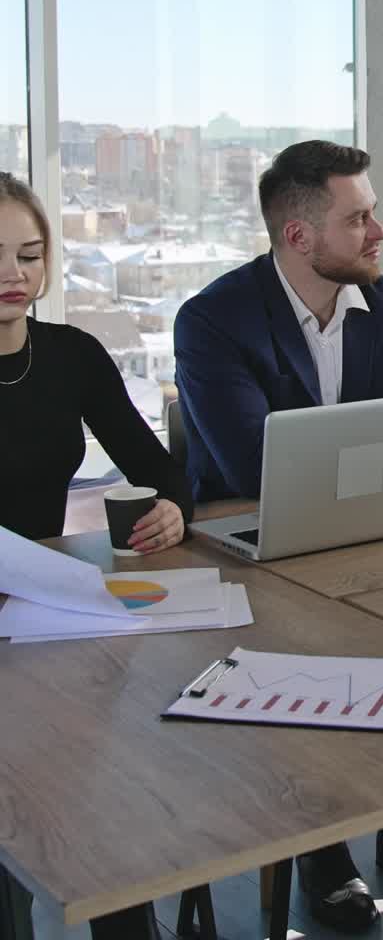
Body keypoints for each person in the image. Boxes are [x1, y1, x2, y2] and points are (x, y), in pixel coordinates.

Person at [174, 142, 383, 931]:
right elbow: (251, 464)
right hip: (254, 553)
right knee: (315, 641)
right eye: (357, 217)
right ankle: (321, 848)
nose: (379, 231)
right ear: (299, 238)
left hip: (380, 533)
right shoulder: (213, 321)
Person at [1, 173, 192, 940]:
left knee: (103, 811)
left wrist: (172, 508)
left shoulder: (71, 354)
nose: (13, 276)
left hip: (48, 618)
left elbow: (161, 467)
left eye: (29, 254)